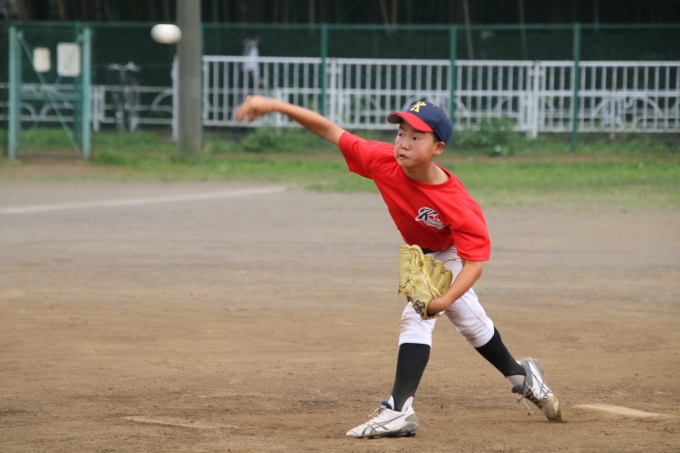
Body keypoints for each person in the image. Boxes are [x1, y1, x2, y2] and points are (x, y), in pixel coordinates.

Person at [235, 95, 562, 439]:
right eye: (401, 133)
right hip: (422, 253)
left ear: (438, 148)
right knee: (471, 322)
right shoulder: (382, 160)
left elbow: (473, 265)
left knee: (418, 316)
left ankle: (398, 409)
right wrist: (277, 106)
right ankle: (523, 377)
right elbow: (331, 131)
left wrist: (441, 301)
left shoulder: (455, 202)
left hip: (451, 252)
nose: (403, 143)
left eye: (416, 137)